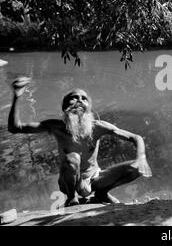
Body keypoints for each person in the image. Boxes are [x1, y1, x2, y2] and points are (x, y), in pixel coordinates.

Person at [8, 77, 152, 207]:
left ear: (89, 106)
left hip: (95, 178)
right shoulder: (57, 127)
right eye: (74, 98)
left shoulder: (98, 127)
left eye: (84, 98)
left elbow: (136, 137)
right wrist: (16, 97)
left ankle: (101, 194)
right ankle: (71, 198)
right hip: (69, 180)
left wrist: (141, 157)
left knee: (136, 168)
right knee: (73, 158)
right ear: (65, 106)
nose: (79, 100)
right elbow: (15, 128)